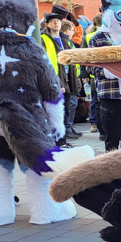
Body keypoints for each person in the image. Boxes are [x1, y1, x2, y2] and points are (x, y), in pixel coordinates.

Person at [40, 11, 80, 143]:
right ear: (47, 24)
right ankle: (57, 142)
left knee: (66, 111)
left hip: (68, 79)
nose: (56, 23)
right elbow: (46, 63)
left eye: (58, 20)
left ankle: (62, 141)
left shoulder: (65, 40)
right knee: (55, 113)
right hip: (54, 80)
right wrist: (58, 82)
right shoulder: (43, 39)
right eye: (53, 21)